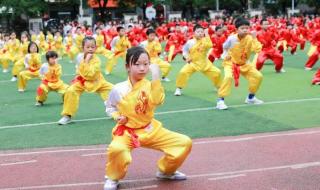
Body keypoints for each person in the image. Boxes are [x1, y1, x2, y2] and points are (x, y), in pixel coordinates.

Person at [104, 46, 192, 190]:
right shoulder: (118, 89)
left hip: (150, 129)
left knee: (184, 143)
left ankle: (166, 171)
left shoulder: (151, 85)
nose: (142, 68)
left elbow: (157, 100)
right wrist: (116, 116)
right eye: (137, 64)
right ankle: (113, 177)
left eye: (146, 64)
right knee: (117, 149)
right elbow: (110, 107)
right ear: (127, 66)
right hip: (127, 132)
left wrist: (156, 77)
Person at [58, 36, 113, 125]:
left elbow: (90, 74)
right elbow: (79, 70)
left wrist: (86, 61)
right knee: (71, 90)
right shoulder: (79, 57)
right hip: (82, 81)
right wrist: (77, 77)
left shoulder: (97, 60)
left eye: (92, 47)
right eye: (88, 47)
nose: (90, 49)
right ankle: (67, 116)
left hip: (97, 81)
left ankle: (112, 110)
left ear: (95, 48)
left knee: (113, 90)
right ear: (82, 48)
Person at [216, 17, 263, 110]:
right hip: (231, 63)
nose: (245, 30)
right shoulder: (232, 38)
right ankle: (220, 101)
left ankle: (251, 98)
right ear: (237, 29)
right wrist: (225, 55)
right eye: (242, 28)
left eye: (247, 28)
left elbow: (258, 49)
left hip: (244, 63)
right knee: (228, 77)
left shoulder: (250, 38)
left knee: (258, 76)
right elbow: (224, 47)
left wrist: (254, 38)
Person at [174, 24, 221, 96]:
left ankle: (218, 87)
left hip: (205, 63)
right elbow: (184, 51)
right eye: (198, 32)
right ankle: (178, 88)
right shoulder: (190, 42)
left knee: (217, 72)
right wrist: (186, 57)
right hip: (193, 63)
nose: (200, 33)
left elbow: (210, 45)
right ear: (194, 33)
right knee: (183, 72)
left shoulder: (205, 40)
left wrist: (207, 34)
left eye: (202, 32)